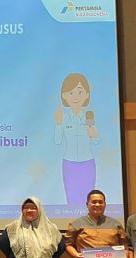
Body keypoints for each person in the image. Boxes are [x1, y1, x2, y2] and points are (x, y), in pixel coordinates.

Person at [54, 73, 99, 207]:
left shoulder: (89, 115)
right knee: (72, 198)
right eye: (71, 93)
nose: (75, 97)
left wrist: (91, 128)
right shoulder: (63, 117)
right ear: (64, 95)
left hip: (87, 161)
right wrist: (58, 124)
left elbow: (96, 140)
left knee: (88, 198)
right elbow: (57, 141)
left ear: (86, 95)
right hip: (69, 162)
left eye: (80, 92)